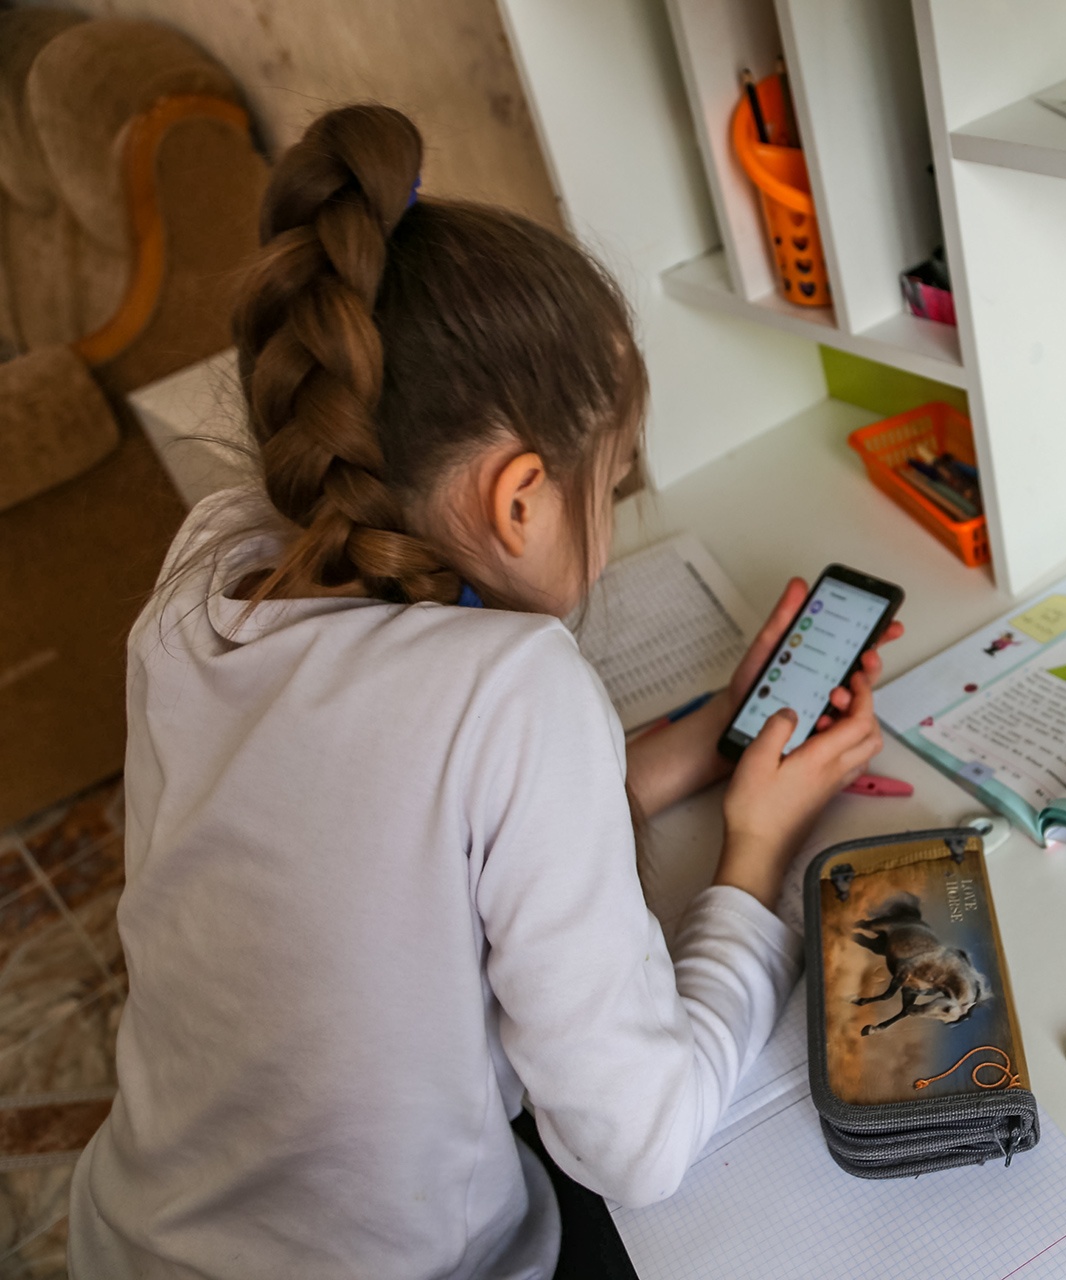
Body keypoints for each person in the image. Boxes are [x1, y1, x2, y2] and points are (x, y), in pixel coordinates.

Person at [68, 103, 897, 1277]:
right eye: (611, 483)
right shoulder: (516, 687)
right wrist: (755, 850)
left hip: (130, 1232)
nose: (609, 526)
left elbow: (392, 825)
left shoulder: (211, 559)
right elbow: (640, 1141)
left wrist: (703, 739)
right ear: (519, 500)